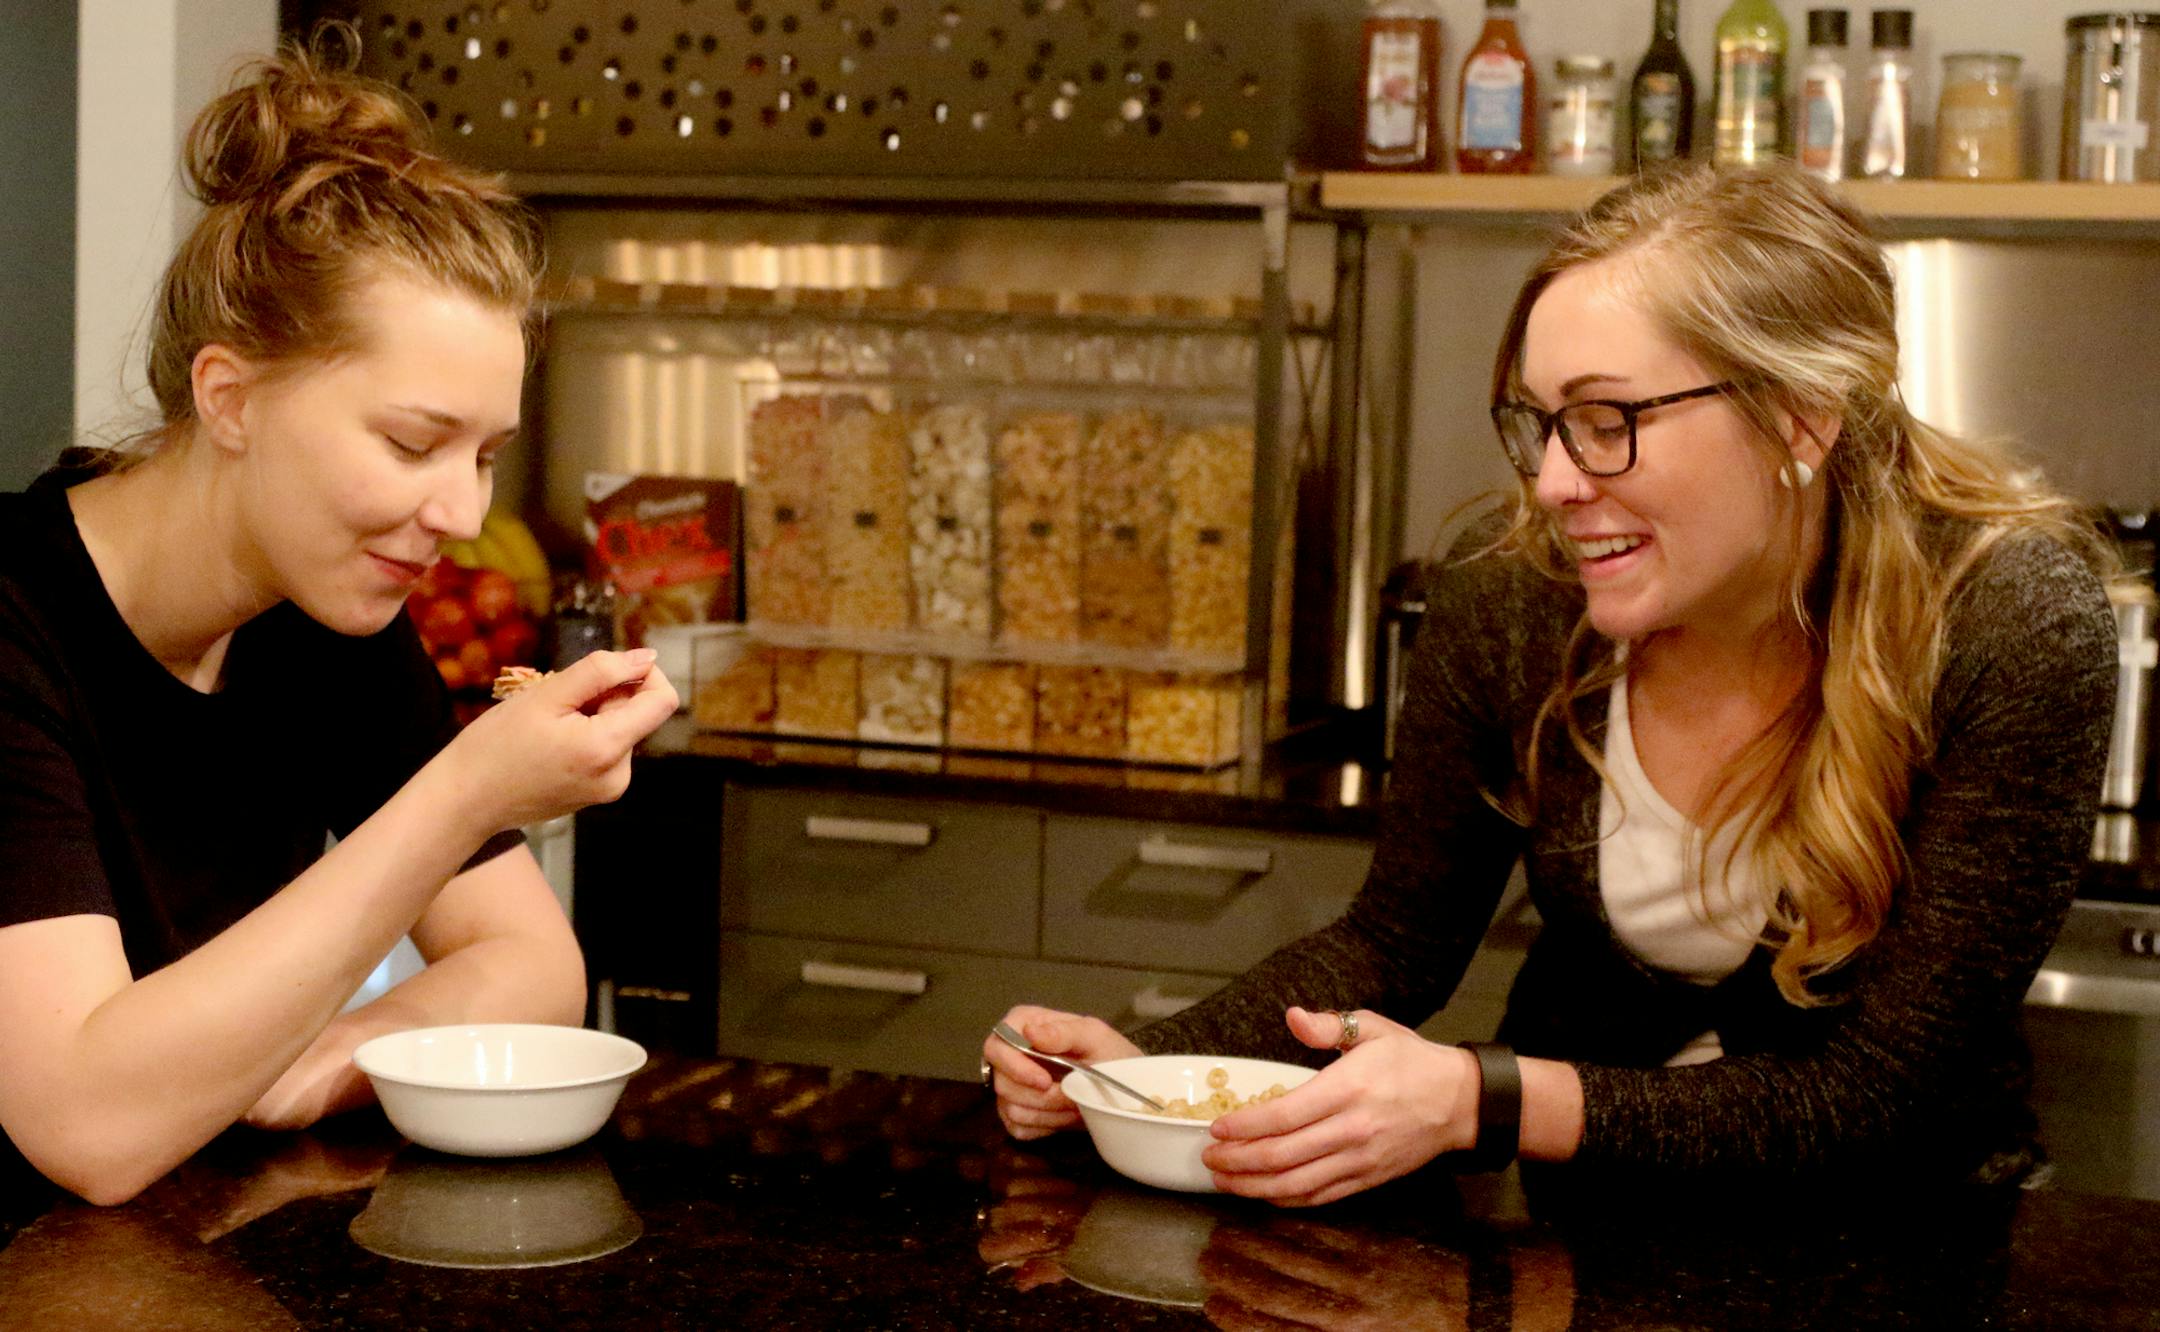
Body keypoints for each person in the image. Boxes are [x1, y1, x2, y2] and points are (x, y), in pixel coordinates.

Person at [985, 161, 2117, 1206]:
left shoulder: (2008, 623)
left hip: (1903, 1244)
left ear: (1797, 417)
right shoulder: (1514, 599)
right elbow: (1395, 941)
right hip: (1592, 1230)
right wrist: (1151, 1076)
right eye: (1541, 424)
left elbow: (1883, 1088)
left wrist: (1488, 1098)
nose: (1558, 484)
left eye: (1607, 420)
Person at [0, 35, 676, 1207]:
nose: (460, 512)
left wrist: (321, 1062)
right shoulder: (11, 623)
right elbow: (85, 1122)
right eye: (412, 444)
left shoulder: (324, 611)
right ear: (231, 397)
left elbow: (534, 969)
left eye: (484, 457)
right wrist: (465, 790)